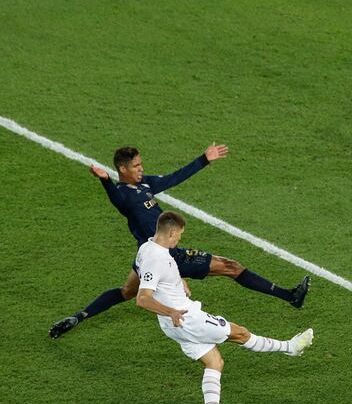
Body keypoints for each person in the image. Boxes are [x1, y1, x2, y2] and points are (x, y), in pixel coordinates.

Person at [49, 143, 309, 339]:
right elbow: (115, 197)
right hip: (168, 257)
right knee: (232, 267)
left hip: (147, 257)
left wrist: (204, 160)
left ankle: (78, 317)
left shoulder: (145, 185)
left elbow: (174, 178)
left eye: (141, 164)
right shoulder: (123, 196)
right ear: (122, 169)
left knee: (126, 292)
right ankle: (289, 296)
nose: (141, 169)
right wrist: (105, 181)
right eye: (136, 166)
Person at [135, 211, 313, 404]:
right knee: (240, 334)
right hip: (185, 317)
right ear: (171, 232)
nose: (179, 239)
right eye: (179, 235)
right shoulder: (157, 258)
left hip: (173, 325)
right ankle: (291, 347)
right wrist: (170, 310)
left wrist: (177, 280)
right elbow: (142, 299)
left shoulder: (147, 247)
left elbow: (154, 272)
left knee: (214, 362)